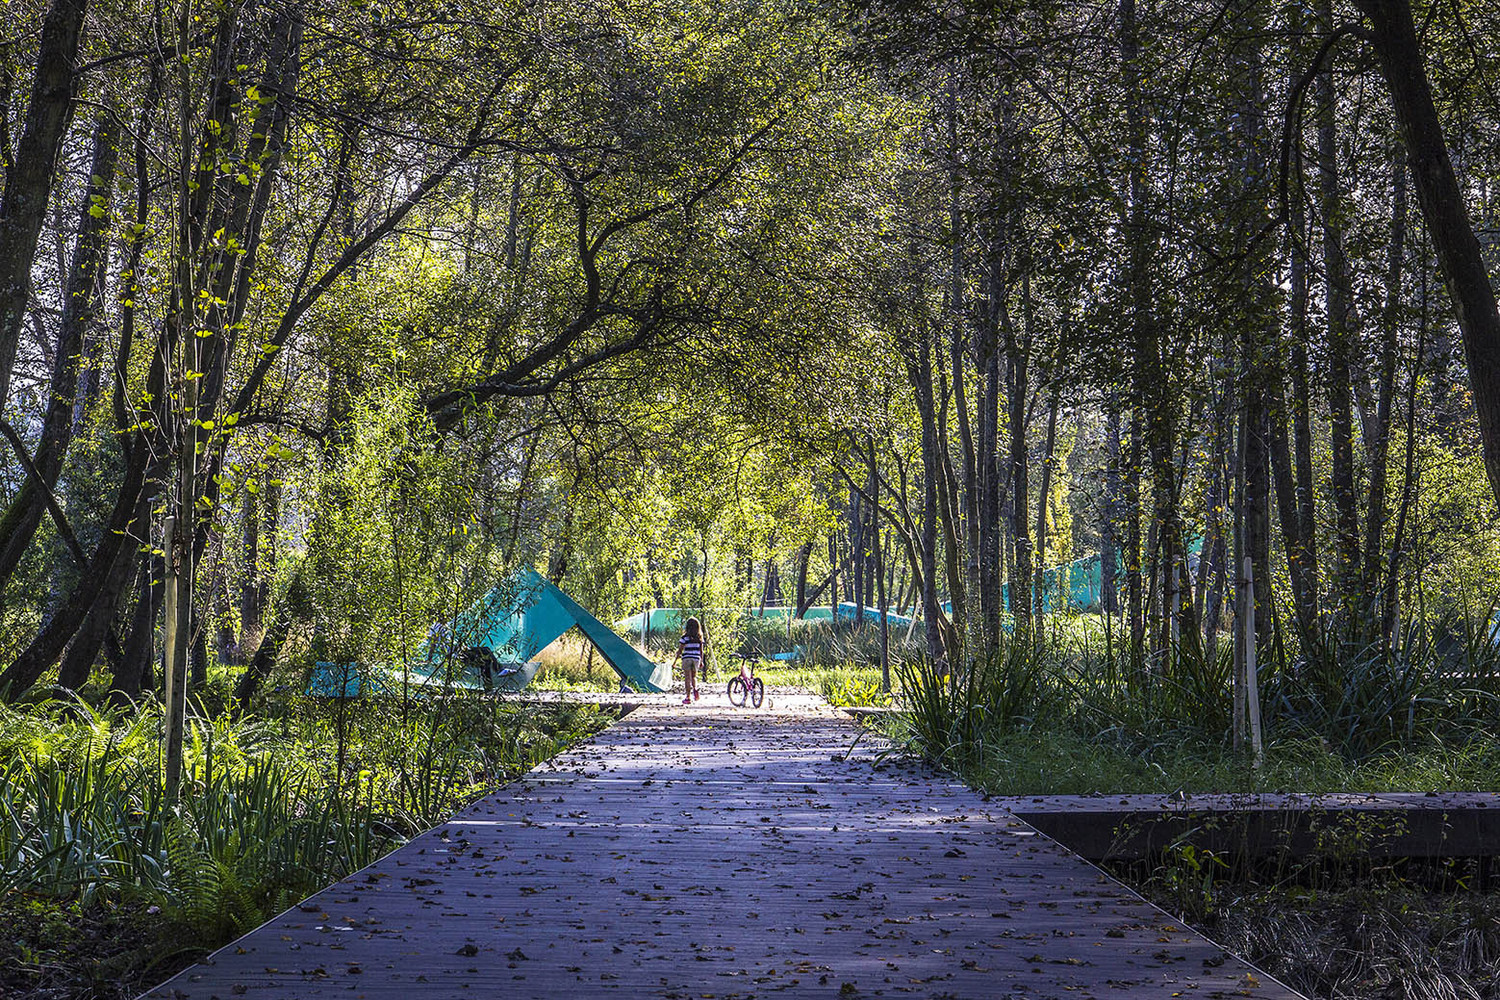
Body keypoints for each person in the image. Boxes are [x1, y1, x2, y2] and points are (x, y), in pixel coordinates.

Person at [670, 616, 705, 704]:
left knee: (687, 678)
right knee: (694, 676)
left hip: (687, 658)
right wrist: (701, 661)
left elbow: (680, 650)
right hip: (696, 659)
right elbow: (701, 651)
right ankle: (695, 689)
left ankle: (688, 697)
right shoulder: (699, 638)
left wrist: (675, 662)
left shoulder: (684, 638)